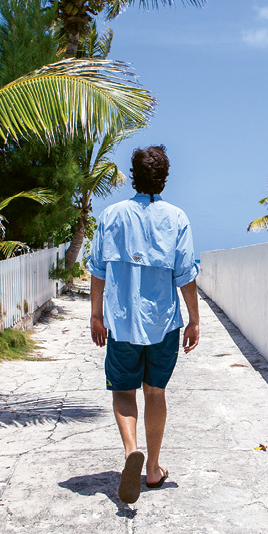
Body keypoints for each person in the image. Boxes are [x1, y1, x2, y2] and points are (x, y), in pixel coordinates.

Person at [87, 145, 200, 504]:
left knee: (123, 391)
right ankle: (152, 468)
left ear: (133, 175)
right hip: (163, 323)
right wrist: (194, 319)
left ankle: (130, 451)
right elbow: (185, 275)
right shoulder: (177, 218)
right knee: (155, 392)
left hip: (121, 322)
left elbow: (97, 271)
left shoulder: (111, 216)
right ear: (164, 176)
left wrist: (95, 314)